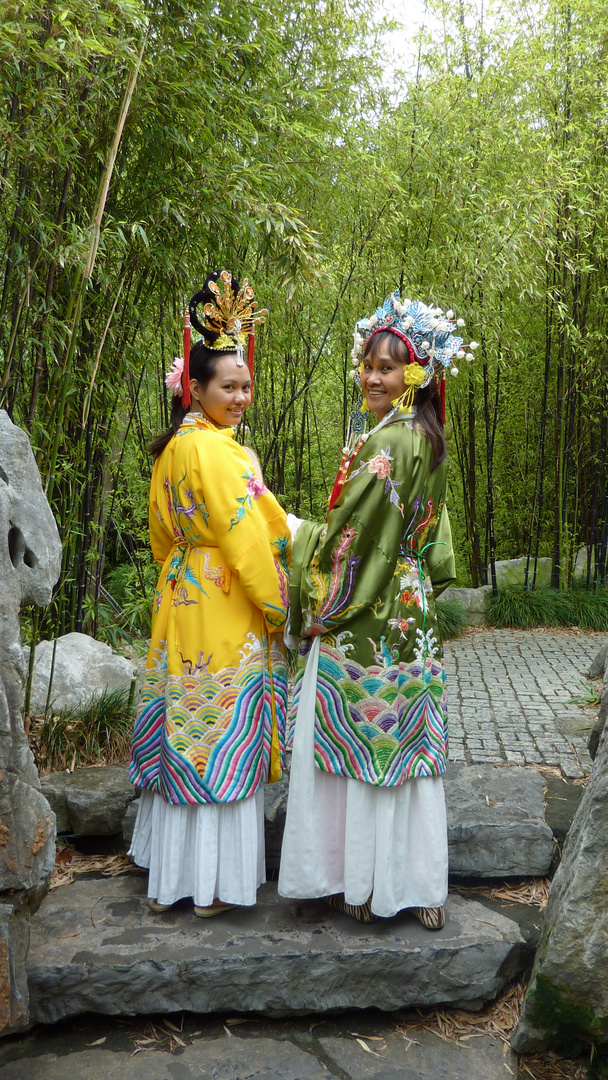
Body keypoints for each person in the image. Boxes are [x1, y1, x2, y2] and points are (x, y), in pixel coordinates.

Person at [278, 291, 468, 928]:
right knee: (402, 745)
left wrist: (298, 544)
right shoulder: (428, 437)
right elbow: (431, 541)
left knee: (354, 740)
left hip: (364, 608)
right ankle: (407, 882)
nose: (371, 376)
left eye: (386, 367)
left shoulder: (389, 443)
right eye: (367, 363)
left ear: (415, 374)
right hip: (407, 609)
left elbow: (351, 535)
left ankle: (352, 879)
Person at [129, 270, 290, 917]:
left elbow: (159, 539)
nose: (241, 397)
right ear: (194, 388)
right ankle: (213, 885)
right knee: (220, 728)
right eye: (229, 386)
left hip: (179, 599)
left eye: (247, 386)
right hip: (221, 603)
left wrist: (187, 573)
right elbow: (250, 536)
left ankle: (173, 874)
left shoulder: (173, 448)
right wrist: (284, 599)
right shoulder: (222, 455)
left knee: (184, 723)